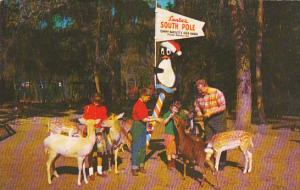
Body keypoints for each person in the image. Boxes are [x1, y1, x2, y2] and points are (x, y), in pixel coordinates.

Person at [194, 79, 227, 168]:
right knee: (209, 140)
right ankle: (209, 160)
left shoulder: (217, 93)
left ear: (206, 86)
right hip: (207, 120)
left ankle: (222, 162)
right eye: (198, 90)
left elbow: (223, 106)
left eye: (201, 90)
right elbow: (196, 105)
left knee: (220, 140)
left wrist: (211, 112)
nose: (200, 92)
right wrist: (199, 112)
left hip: (218, 118)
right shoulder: (199, 96)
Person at [82, 93, 108, 180]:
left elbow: (104, 121)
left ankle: (99, 171)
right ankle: (91, 172)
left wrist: (101, 131)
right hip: (90, 132)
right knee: (90, 152)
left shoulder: (103, 108)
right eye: (95, 100)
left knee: (100, 151)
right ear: (92, 100)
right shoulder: (87, 107)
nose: (97, 102)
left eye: (98, 101)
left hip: (99, 131)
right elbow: (85, 120)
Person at [131, 87, 156, 176]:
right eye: (148, 97)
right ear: (143, 95)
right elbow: (144, 119)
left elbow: (145, 117)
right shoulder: (138, 105)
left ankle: (141, 165)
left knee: (142, 147)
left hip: (142, 127)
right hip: (137, 126)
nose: (149, 99)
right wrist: (155, 118)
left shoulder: (143, 104)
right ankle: (134, 167)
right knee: (136, 148)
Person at [162, 101, 181, 170]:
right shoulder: (167, 114)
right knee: (169, 149)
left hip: (175, 135)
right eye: (174, 108)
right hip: (168, 134)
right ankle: (169, 164)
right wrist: (170, 117)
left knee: (174, 149)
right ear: (171, 107)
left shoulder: (177, 116)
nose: (175, 110)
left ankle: (173, 163)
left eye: (177, 109)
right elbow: (164, 122)